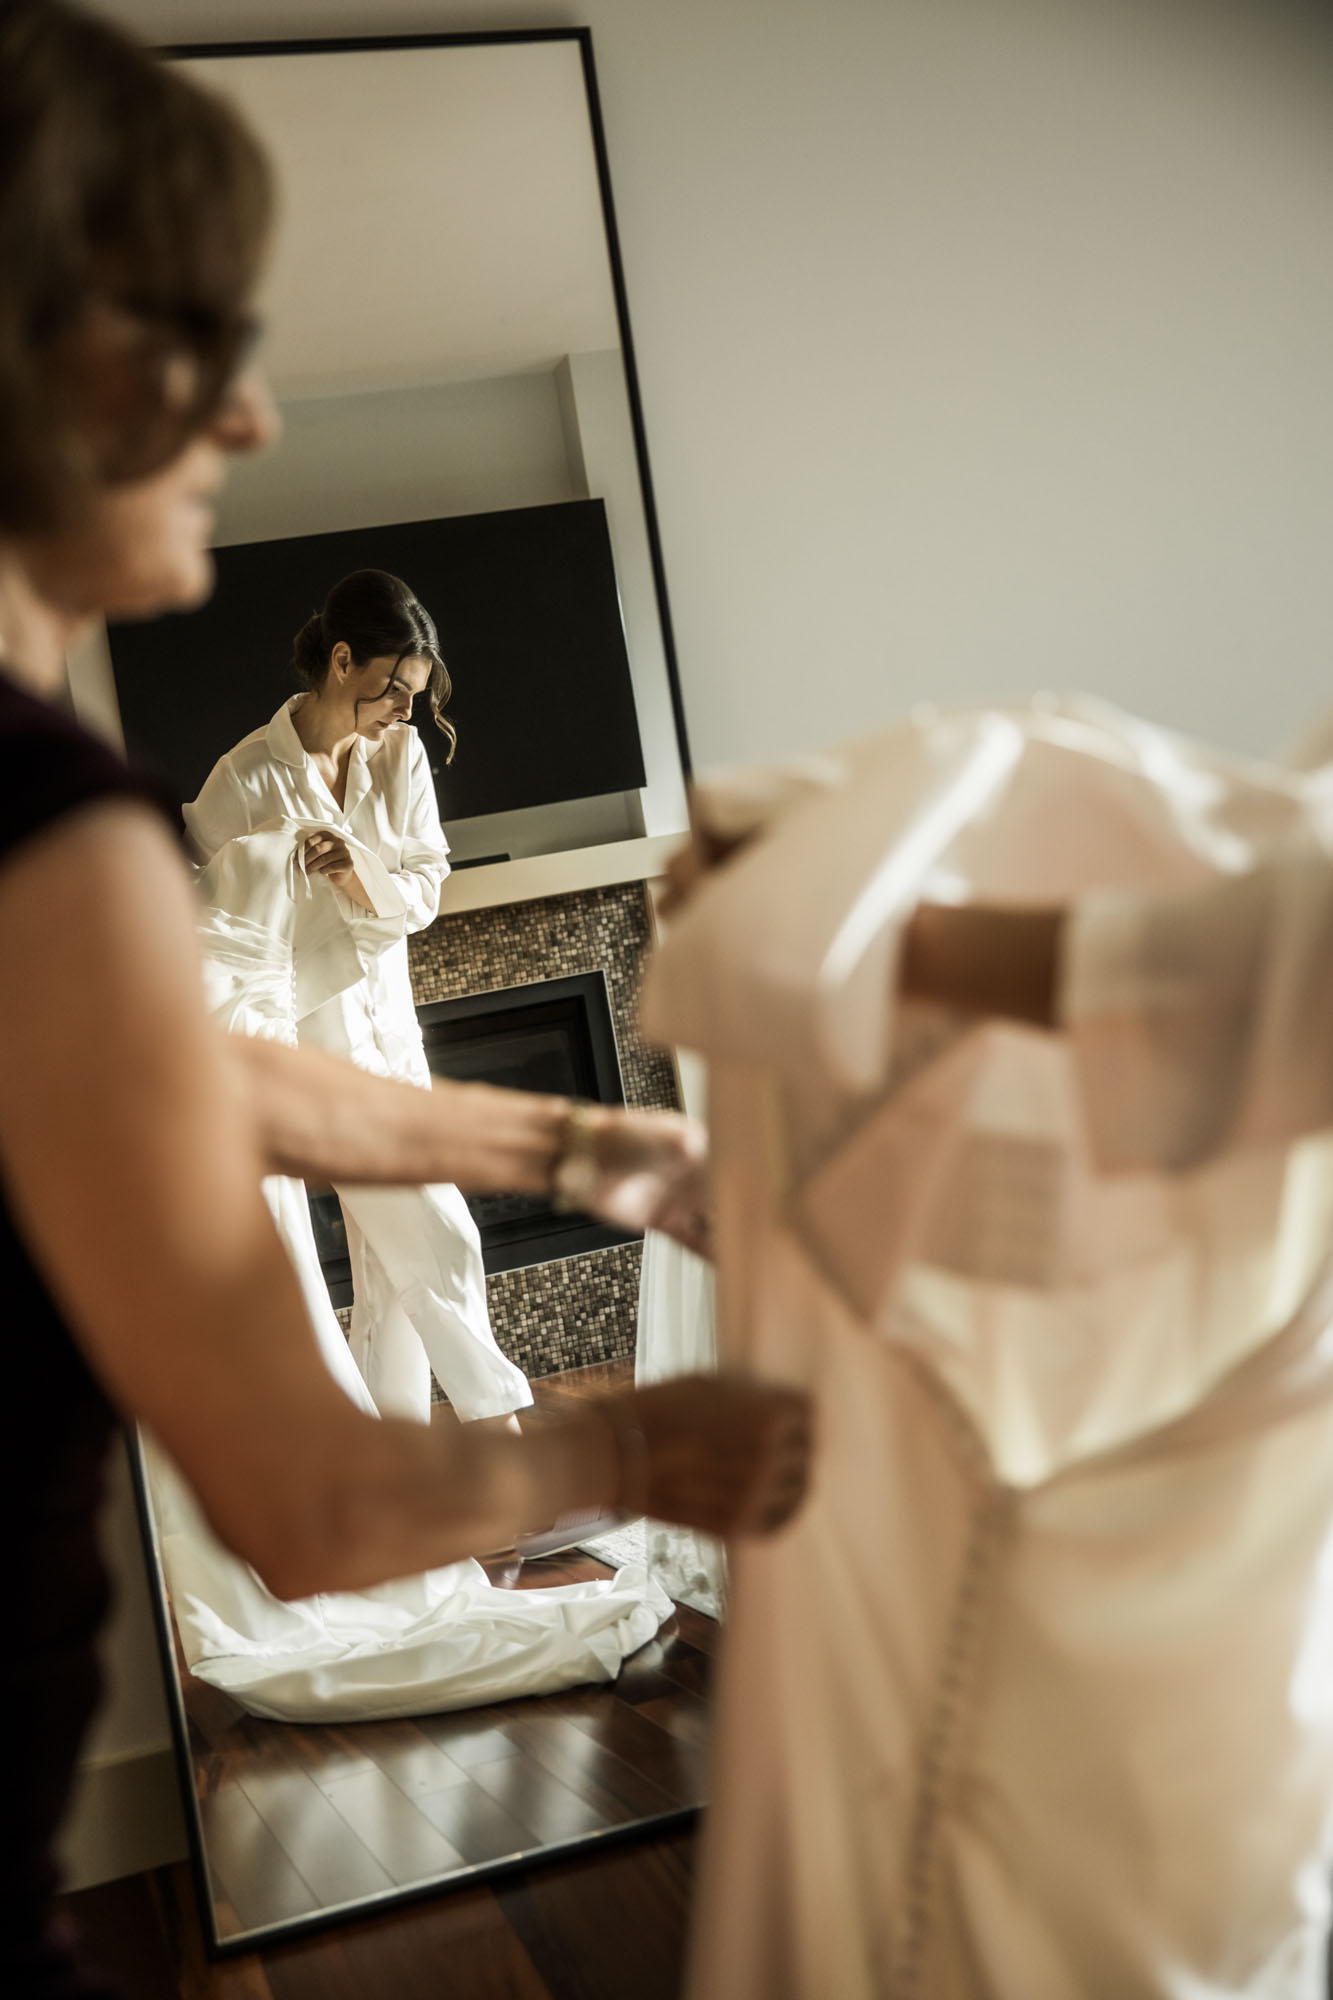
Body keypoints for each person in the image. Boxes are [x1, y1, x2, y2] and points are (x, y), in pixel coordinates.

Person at [0, 5, 813, 1993]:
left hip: (344, 1029)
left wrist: (567, 1134)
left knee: (424, 1242)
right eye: (195, 331)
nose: (254, 414)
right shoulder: (88, 818)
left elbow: (177, 1077)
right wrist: (659, 1451)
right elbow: (313, 1496)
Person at [652, 707, 1333, 1999]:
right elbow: (1270, 870)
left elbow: (1282, 963)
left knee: (1152, 1836)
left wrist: (857, 927)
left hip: (1247, 1470)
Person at [185, 569, 530, 1427]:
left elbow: (425, 888)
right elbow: (208, 924)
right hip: (313, 1053)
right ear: (342, 661)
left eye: (414, 695)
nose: (404, 712)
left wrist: (356, 870)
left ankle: (399, 1471)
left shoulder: (401, 756)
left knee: (389, 1269)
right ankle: (506, 1425)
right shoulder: (244, 779)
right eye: (392, 690)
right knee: (441, 1232)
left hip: (392, 1031)